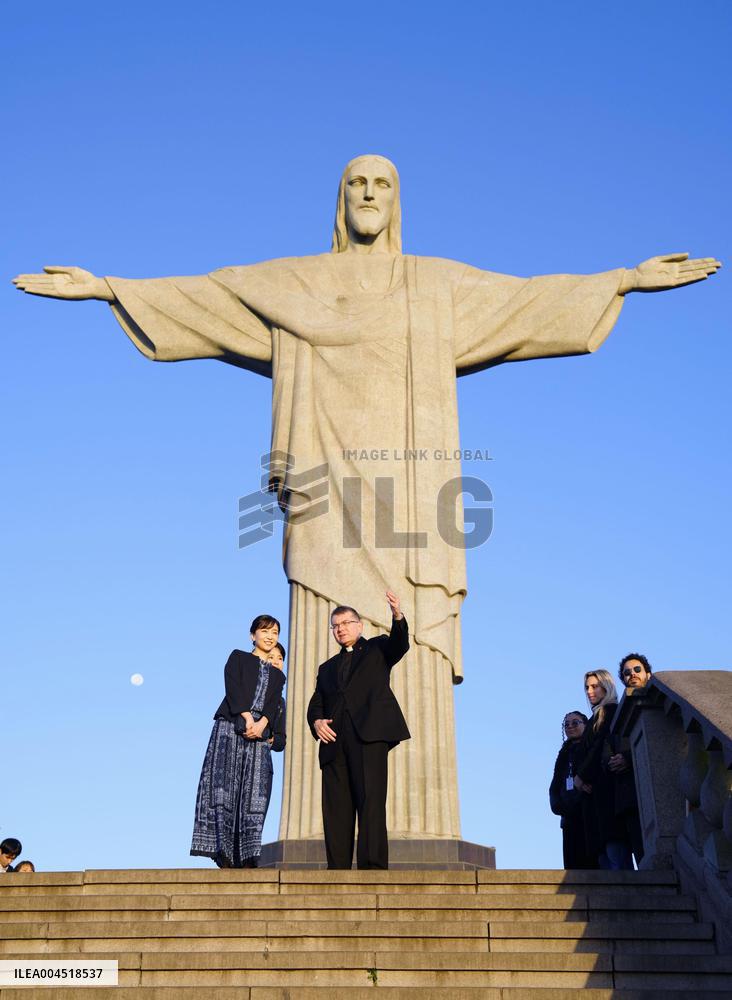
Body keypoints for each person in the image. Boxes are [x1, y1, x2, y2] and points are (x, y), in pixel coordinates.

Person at [13, 156, 721, 845]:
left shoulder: (434, 285)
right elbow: (209, 296)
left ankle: (406, 834)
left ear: (399, 199)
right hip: (325, 487)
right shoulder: (296, 283)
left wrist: (624, 279)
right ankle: (319, 839)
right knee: (330, 627)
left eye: (383, 183)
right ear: (339, 198)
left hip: (414, 492)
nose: (369, 193)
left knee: (408, 635)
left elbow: (527, 299)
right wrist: (109, 288)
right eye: (356, 182)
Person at [307, 590, 409, 870]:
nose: (340, 629)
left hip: (369, 737)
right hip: (334, 742)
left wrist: (397, 615)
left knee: (371, 803)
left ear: (359, 625)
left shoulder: (377, 648)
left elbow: (400, 644)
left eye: (345, 623)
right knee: (336, 809)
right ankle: (337, 869)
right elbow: (316, 703)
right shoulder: (326, 668)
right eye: (335, 626)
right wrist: (316, 722)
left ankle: (373, 868)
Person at [191, 614, 286, 868]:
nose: (269, 636)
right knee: (224, 789)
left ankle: (247, 854)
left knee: (252, 794)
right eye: (264, 631)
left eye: (275, 632)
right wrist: (246, 717)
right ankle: (223, 852)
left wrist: (262, 724)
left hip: (258, 735)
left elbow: (273, 702)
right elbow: (233, 689)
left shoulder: (279, 676)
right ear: (252, 635)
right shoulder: (238, 657)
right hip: (231, 728)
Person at [574, 670, 633, 870]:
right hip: (595, 795)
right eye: (587, 687)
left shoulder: (611, 712)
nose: (589, 691)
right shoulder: (594, 718)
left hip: (608, 793)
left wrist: (581, 776)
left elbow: (599, 748)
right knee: (605, 858)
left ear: (606, 686)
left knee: (617, 858)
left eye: (594, 686)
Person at [606, 652, 655, 865]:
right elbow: (607, 750)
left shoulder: (657, 701)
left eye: (637, 670)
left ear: (648, 675)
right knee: (642, 859)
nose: (632, 675)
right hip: (630, 798)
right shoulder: (618, 716)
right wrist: (613, 761)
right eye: (626, 673)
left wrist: (627, 758)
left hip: (656, 790)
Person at [549, 711, 596, 869]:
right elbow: (555, 784)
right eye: (566, 724)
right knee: (572, 865)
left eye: (575, 723)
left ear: (585, 724)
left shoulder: (590, 747)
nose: (570, 727)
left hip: (587, 813)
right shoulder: (563, 754)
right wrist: (557, 805)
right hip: (567, 816)